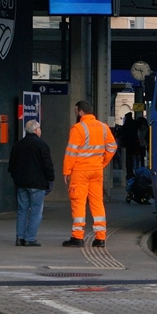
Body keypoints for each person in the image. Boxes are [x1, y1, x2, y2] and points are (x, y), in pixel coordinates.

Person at [63, 100, 117, 248]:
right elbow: (112, 147)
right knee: (97, 202)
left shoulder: (78, 128)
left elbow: (71, 153)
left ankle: (77, 237)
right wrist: (102, 162)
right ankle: (100, 238)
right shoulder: (103, 127)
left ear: (80, 112)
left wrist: (67, 171)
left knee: (78, 202)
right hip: (96, 171)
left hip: (80, 171)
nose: (76, 114)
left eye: (76, 112)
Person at [8, 120, 55, 246]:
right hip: (37, 184)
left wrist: (16, 178)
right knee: (36, 211)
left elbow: (11, 165)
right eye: (39, 128)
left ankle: (19, 238)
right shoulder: (42, 145)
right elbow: (47, 165)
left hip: (21, 184)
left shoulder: (17, 145)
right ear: (36, 130)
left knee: (22, 210)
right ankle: (30, 238)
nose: (40, 130)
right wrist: (50, 179)